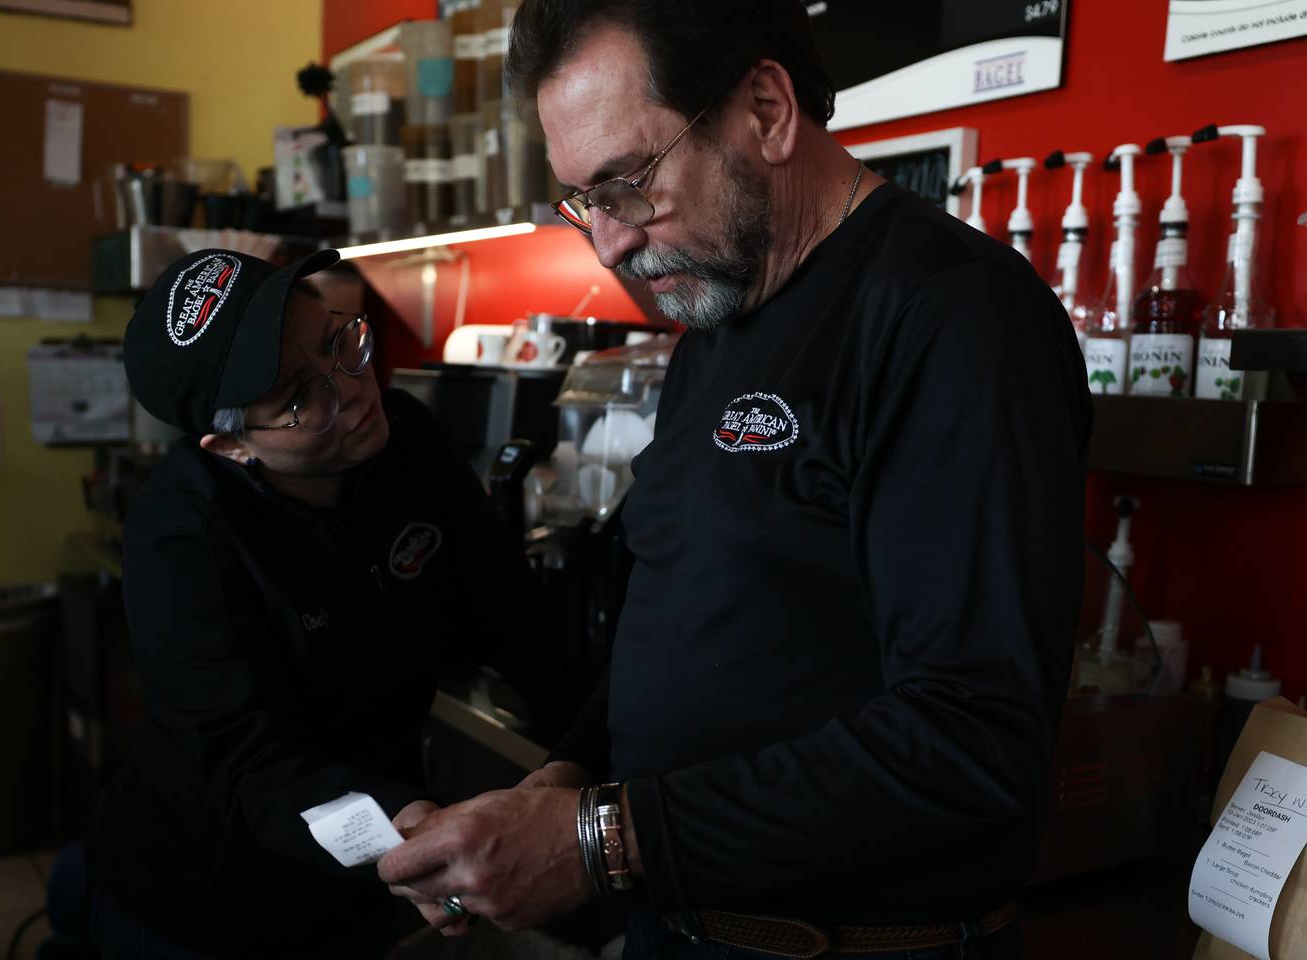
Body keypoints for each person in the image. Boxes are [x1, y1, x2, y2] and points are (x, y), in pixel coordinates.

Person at [377, 2, 1091, 958]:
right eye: (582, 200)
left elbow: (972, 741)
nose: (608, 245)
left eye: (627, 184)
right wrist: (567, 777)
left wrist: (602, 840)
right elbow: (682, 605)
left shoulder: (953, 316)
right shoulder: (721, 320)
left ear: (764, 108)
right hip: (683, 923)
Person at [89, 248, 543, 958]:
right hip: (216, 894)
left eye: (339, 342)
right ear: (231, 445)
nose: (354, 390)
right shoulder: (181, 540)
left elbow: (508, 611)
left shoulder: (406, 439)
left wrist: (585, 759)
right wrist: (402, 823)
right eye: (301, 397)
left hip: (370, 876)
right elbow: (250, 766)